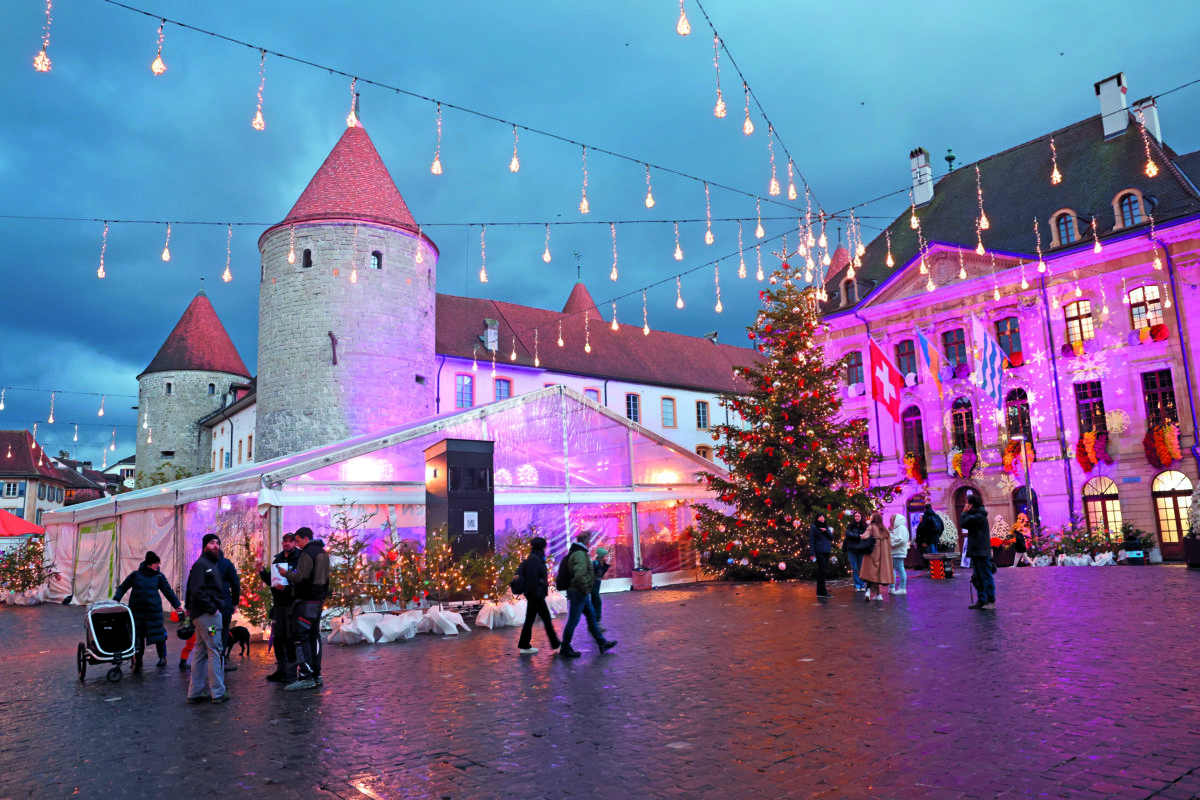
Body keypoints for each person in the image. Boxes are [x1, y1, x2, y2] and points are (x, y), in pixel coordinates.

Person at [114, 550, 183, 672]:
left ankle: (162, 657)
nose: (158, 565)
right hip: (137, 611)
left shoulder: (159, 577)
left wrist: (177, 606)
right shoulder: (135, 575)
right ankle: (138, 660)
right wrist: (115, 600)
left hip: (154, 611)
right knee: (138, 637)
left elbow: (168, 591)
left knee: (159, 635)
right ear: (149, 564)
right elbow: (123, 587)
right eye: (156, 563)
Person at [184, 533, 230, 704]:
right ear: (205, 546)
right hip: (208, 619)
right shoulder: (203, 565)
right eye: (212, 543)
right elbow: (196, 590)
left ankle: (194, 692)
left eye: (217, 543)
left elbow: (190, 588)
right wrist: (212, 610)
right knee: (215, 651)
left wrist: (189, 608)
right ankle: (218, 692)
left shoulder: (207, 564)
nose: (215, 546)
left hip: (202, 616)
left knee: (201, 651)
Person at [283, 527, 329, 691]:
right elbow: (325, 579)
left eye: (297, 540)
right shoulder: (323, 552)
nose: (295, 544)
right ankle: (316, 675)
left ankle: (305, 676)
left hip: (306, 601)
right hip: (317, 600)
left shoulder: (307, 553)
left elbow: (300, 577)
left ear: (304, 539)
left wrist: (286, 573)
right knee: (314, 636)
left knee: (302, 637)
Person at [559, 532, 617, 658]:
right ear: (588, 542)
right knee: (573, 620)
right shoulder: (580, 554)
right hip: (578, 592)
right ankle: (565, 647)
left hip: (580, 593)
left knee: (591, 616)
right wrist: (586, 589)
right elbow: (579, 575)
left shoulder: (578, 552)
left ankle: (602, 643)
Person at [257, 532, 299, 682]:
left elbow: (300, 581)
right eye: (285, 541)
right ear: (282, 543)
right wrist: (262, 572)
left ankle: (292, 670)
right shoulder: (279, 559)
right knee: (278, 638)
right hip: (279, 605)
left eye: (290, 541)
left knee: (290, 638)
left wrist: (287, 589)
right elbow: (273, 581)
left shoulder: (299, 559)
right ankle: (281, 669)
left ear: (295, 543)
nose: (287, 544)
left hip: (292, 604)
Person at [515, 536, 560, 655]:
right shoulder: (535, 558)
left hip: (534, 594)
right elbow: (533, 578)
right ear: (541, 546)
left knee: (530, 619)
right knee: (546, 619)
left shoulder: (534, 556)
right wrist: (537, 593)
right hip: (536, 595)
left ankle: (524, 645)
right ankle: (556, 644)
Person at [962, 495, 995, 609]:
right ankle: (981, 600)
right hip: (977, 550)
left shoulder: (979, 516)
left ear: (971, 505)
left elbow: (963, 523)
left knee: (986, 576)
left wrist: (964, 512)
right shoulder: (976, 515)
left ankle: (990, 601)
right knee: (978, 577)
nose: (965, 505)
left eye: (967, 503)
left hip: (981, 550)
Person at [859, 512, 894, 601]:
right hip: (883, 556)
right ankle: (877, 594)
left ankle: (869, 592)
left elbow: (864, 536)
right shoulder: (884, 530)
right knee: (877, 575)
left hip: (872, 554)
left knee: (869, 574)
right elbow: (890, 543)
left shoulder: (871, 527)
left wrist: (861, 536)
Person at [216, 546, 240, 672]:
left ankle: (211, 661)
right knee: (224, 632)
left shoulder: (202, 565)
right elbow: (235, 584)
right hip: (225, 607)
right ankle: (221, 660)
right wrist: (235, 602)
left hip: (210, 610)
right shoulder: (226, 564)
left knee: (212, 632)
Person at [808, 514, 835, 598]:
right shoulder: (814, 527)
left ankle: (820, 592)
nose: (822, 518)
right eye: (820, 517)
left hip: (826, 550)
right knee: (822, 570)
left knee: (822, 570)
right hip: (819, 551)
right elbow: (811, 540)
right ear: (817, 518)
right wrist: (812, 553)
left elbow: (831, 537)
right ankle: (822, 591)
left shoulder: (826, 527)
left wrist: (826, 531)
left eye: (823, 517)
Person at [843, 511, 868, 592]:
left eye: (858, 516)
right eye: (856, 516)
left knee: (862, 568)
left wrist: (859, 536)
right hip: (852, 548)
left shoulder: (864, 526)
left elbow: (866, 534)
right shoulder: (850, 526)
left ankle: (862, 584)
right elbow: (848, 534)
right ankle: (857, 585)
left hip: (861, 549)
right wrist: (858, 536)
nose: (857, 517)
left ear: (861, 517)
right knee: (854, 568)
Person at [889, 514, 912, 595]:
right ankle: (892, 587)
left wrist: (891, 543)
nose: (890, 521)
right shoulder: (897, 528)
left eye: (891, 520)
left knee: (899, 569)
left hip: (898, 552)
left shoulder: (901, 528)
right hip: (895, 552)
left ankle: (902, 588)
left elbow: (901, 540)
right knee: (893, 570)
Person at [590, 546, 611, 627]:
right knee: (598, 602)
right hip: (592, 586)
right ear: (601, 557)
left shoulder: (604, 566)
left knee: (593, 603)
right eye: (606, 556)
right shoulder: (595, 564)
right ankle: (597, 622)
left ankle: (592, 623)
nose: (608, 557)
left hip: (597, 586)